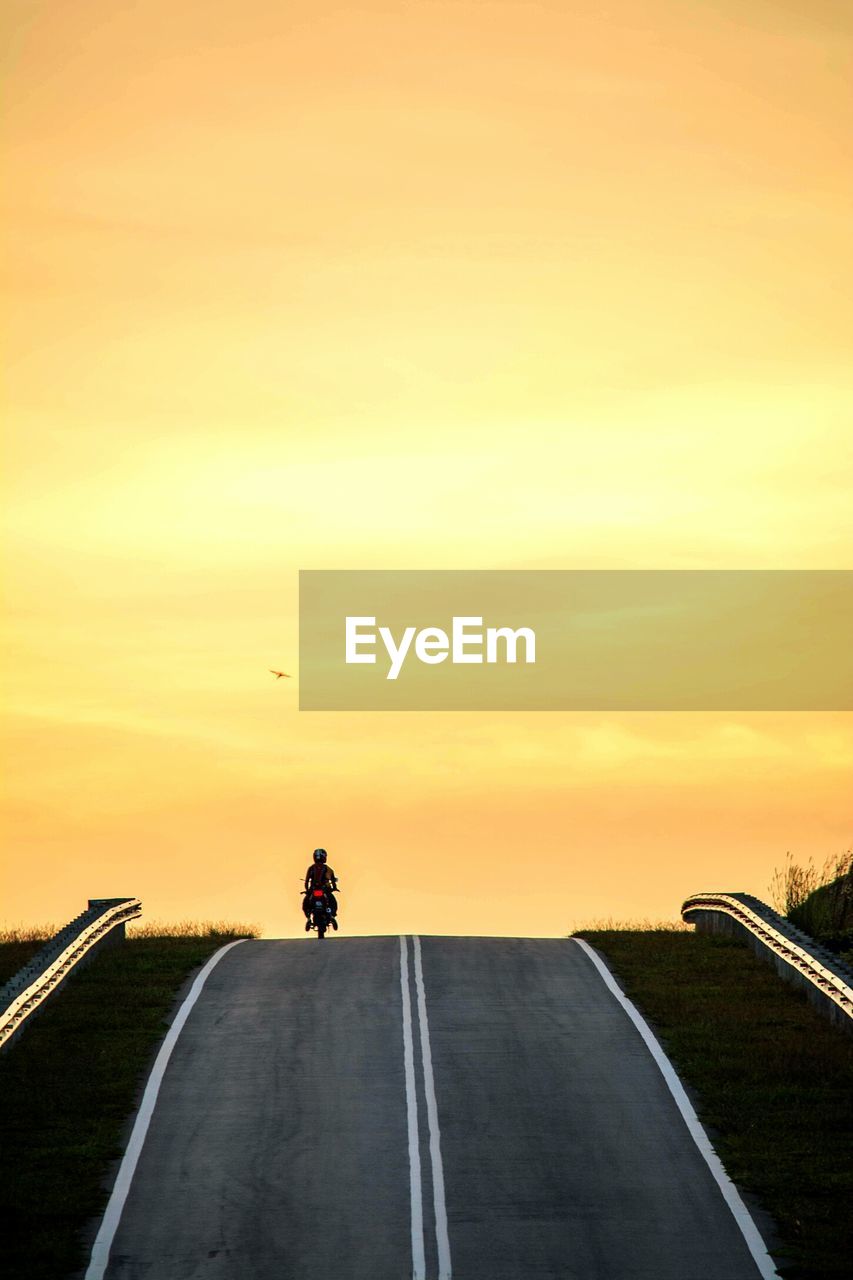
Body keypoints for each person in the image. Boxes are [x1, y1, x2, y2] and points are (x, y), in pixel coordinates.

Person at [303, 848, 338, 931]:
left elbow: (306, 881)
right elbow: (333, 881)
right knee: (333, 902)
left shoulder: (311, 868)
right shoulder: (328, 869)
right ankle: (332, 916)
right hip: (325, 890)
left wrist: (307, 890)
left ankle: (308, 918)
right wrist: (334, 888)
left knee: (306, 904)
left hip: (313, 890)